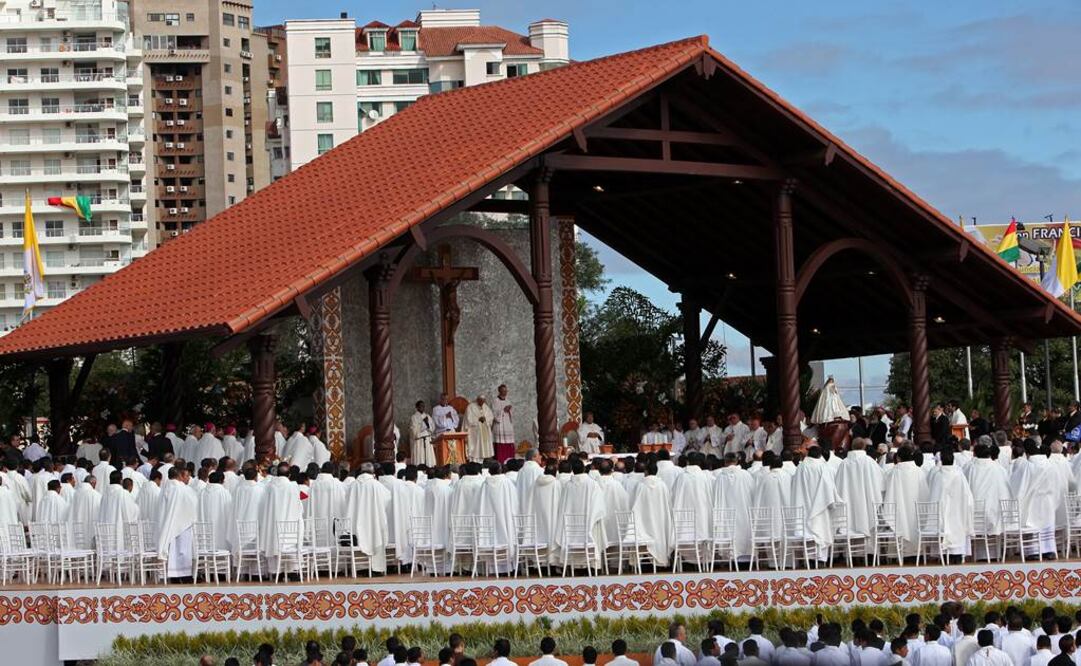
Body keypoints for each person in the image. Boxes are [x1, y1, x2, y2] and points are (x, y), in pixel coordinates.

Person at [790, 445, 837, 561]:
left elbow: (794, 486)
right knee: (820, 528)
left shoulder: (801, 467)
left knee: (807, 530)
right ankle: (820, 559)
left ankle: (808, 559)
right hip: (821, 505)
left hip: (803, 505)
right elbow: (828, 488)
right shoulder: (823, 467)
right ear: (820, 455)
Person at [156, 467, 198, 581]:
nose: (188, 478)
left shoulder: (164, 488)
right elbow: (192, 502)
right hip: (182, 523)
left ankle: (173, 576)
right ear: (180, 475)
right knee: (183, 549)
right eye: (186, 476)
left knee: (173, 549)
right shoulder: (182, 488)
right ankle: (184, 575)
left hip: (169, 523)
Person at [491, 384, 516, 463]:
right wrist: (503, 410)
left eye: (506, 391)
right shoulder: (495, 401)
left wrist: (510, 410)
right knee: (500, 444)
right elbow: (493, 414)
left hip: (507, 424)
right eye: (503, 390)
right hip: (500, 426)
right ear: (499, 391)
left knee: (509, 443)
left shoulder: (508, 401)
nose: (505, 392)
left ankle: (510, 461)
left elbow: (512, 413)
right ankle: (500, 461)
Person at [466, 395, 495, 462]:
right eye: (481, 400)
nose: (482, 402)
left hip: (484, 429)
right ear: (477, 400)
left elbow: (491, 417)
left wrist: (486, 419)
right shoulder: (470, 407)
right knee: (476, 446)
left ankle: (485, 459)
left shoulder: (486, 407)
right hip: (475, 431)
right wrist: (478, 419)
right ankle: (475, 461)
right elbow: (468, 419)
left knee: (484, 444)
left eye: (483, 401)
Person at [409, 401, 436, 467]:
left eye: (423, 406)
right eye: (420, 406)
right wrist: (423, 425)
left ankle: (429, 468)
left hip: (427, 439)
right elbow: (413, 430)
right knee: (420, 457)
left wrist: (427, 424)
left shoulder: (428, 416)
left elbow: (432, 428)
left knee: (428, 459)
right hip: (419, 440)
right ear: (417, 407)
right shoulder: (414, 417)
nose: (422, 408)